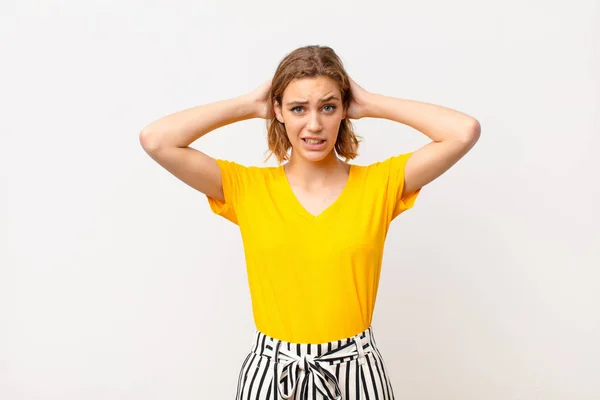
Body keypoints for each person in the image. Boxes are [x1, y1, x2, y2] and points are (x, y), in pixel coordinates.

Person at [139, 45, 480, 400]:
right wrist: (249, 105)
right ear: (278, 111)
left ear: (343, 110)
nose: (314, 124)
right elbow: (157, 140)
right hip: (272, 374)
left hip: (357, 373)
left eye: (328, 107)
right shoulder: (247, 188)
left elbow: (464, 131)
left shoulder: (381, 184)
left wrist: (370, 103)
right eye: (298, 108)